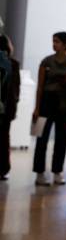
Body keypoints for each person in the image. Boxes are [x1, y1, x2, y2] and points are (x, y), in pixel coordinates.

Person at [32, 32, 66, 186]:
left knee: (61, 139)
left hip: (64, 105)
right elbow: (40, 87)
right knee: (41, 138)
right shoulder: (46, 62)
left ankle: (57, 172)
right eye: (53, 41)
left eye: (57, 41)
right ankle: (39, 173)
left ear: (65, 45)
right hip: (46, 102)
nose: (54, 44)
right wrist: (36, 108)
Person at [0, 34, 20, 180]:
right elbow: (15, 88)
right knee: (4, 138)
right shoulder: (13, 63)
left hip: (5, 107)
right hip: (7, 108)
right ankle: (3, 169)